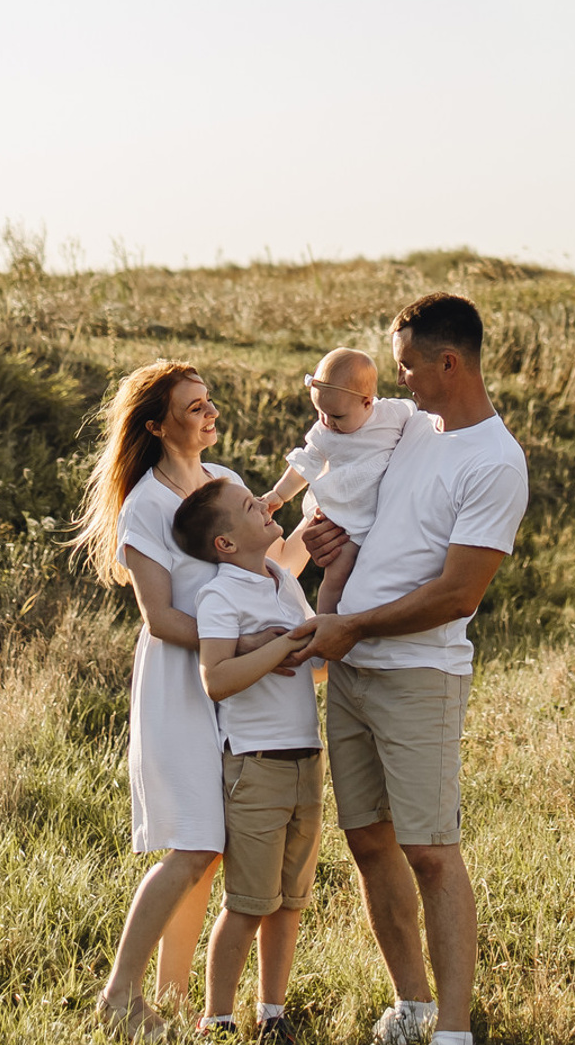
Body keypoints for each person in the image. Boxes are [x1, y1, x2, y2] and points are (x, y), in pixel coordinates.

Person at [293, 293, 529, 1045]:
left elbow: (456, 594)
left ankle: (453, 1032)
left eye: (407, 365)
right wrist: (334, 546)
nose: (399, 379)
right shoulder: (409, 427)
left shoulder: (495, 462)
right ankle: (414, 1006)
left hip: (417, 674)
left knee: (429, 848)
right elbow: (354, 481)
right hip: (353, 667)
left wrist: (349, 625)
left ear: (448, 363)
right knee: (368, 843)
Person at [70, 361, 312, 1039]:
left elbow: (260, 578)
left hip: (238, 689)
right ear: (156, 424)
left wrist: (304, 542)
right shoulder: (145, 505)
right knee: (191, 843)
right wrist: (242, 648)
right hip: (181, 683)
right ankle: (120, 996)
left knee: (216, 849)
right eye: (193, 406)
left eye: (209, 401)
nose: (209, 413)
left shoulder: (227, 484)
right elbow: (159, 617)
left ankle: (176, 997)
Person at [174, 478, 327, 1040]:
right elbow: (215, 679)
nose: (263, 505)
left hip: (306, 759)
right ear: (225, 545)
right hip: (256, 764)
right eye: (247, 507)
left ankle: (273, 1015)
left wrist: (315, 638)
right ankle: (216, 1018)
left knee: (289, 902)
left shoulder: (284, 580)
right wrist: (278, 646)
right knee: (248, 903)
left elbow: (313, 665)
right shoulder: (221, 595)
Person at [263, 347, 417, 614]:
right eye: (320, 412)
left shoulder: (394, 415)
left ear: (367, 402)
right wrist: (279, 494)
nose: (327, 421)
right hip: (345, 517)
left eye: (337, 416)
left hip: (386, 514)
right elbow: (307, 462)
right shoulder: (326, 431)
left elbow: (422, 419)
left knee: (380, 577)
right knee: (336, 577)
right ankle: (326, 624)